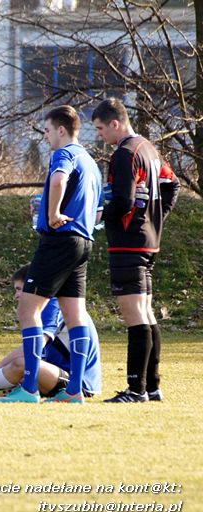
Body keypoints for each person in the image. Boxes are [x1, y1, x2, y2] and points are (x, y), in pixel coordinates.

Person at [0, 105, 101, 404]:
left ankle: (29, 390)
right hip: (83, 240)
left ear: (61, 130)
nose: (46, 137)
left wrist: (52, 212)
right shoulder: (92, 163)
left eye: (47, 130)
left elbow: (58, 180)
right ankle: (74, 391)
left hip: (58, 242)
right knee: (75, 315)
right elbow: (95, 210)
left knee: (28, 311)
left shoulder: (64, 154)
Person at [92, 98, 180, 403]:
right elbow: (173, 184)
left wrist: (99, 214)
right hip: (147, 240)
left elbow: (124, 202)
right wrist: (156, 217)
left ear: (115, 124)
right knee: (146, 313)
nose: (100, 135)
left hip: (128, 243)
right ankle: (152, 386)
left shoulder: (125, 153)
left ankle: (135, 389)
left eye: (101, 129)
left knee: (135, 316)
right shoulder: (149, 149)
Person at [0, 264, 102, 399]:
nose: (16, 295)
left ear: (32, 287)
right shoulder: (54, 303)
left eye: (19, 289)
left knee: (22, 364)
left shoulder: (53, 304)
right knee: (23, 366)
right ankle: (1, 388)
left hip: (80, 384)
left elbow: (34, 347)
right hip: (60, 373)